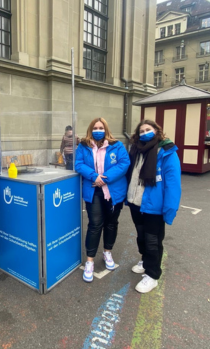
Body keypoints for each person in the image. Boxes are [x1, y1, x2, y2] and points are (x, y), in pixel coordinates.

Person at [126, 119, 181, 293]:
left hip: (154, 205)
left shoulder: (166, 151)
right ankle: (145, 260)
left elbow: (172, 183)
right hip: (135, 202)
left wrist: (169, 208)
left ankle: (152, 274)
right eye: (141, 131)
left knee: (153, 240)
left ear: (157, 131)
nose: (144, 133)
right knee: (141, 236)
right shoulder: (135, 150)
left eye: (148, 129)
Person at [75, 118, 130, 282]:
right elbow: (78, 164)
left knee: (112, 223)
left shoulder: (117, 145)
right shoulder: (83, 146)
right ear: (90, 129)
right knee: (94, 224)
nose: (98, 130)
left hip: (113, 190)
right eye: (95, 127)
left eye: (101, 127)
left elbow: (124, 163)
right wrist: (95, 176)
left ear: (106, 129)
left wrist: (105, 178)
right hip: (93, 190)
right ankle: (90, 261)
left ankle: (107, 252)